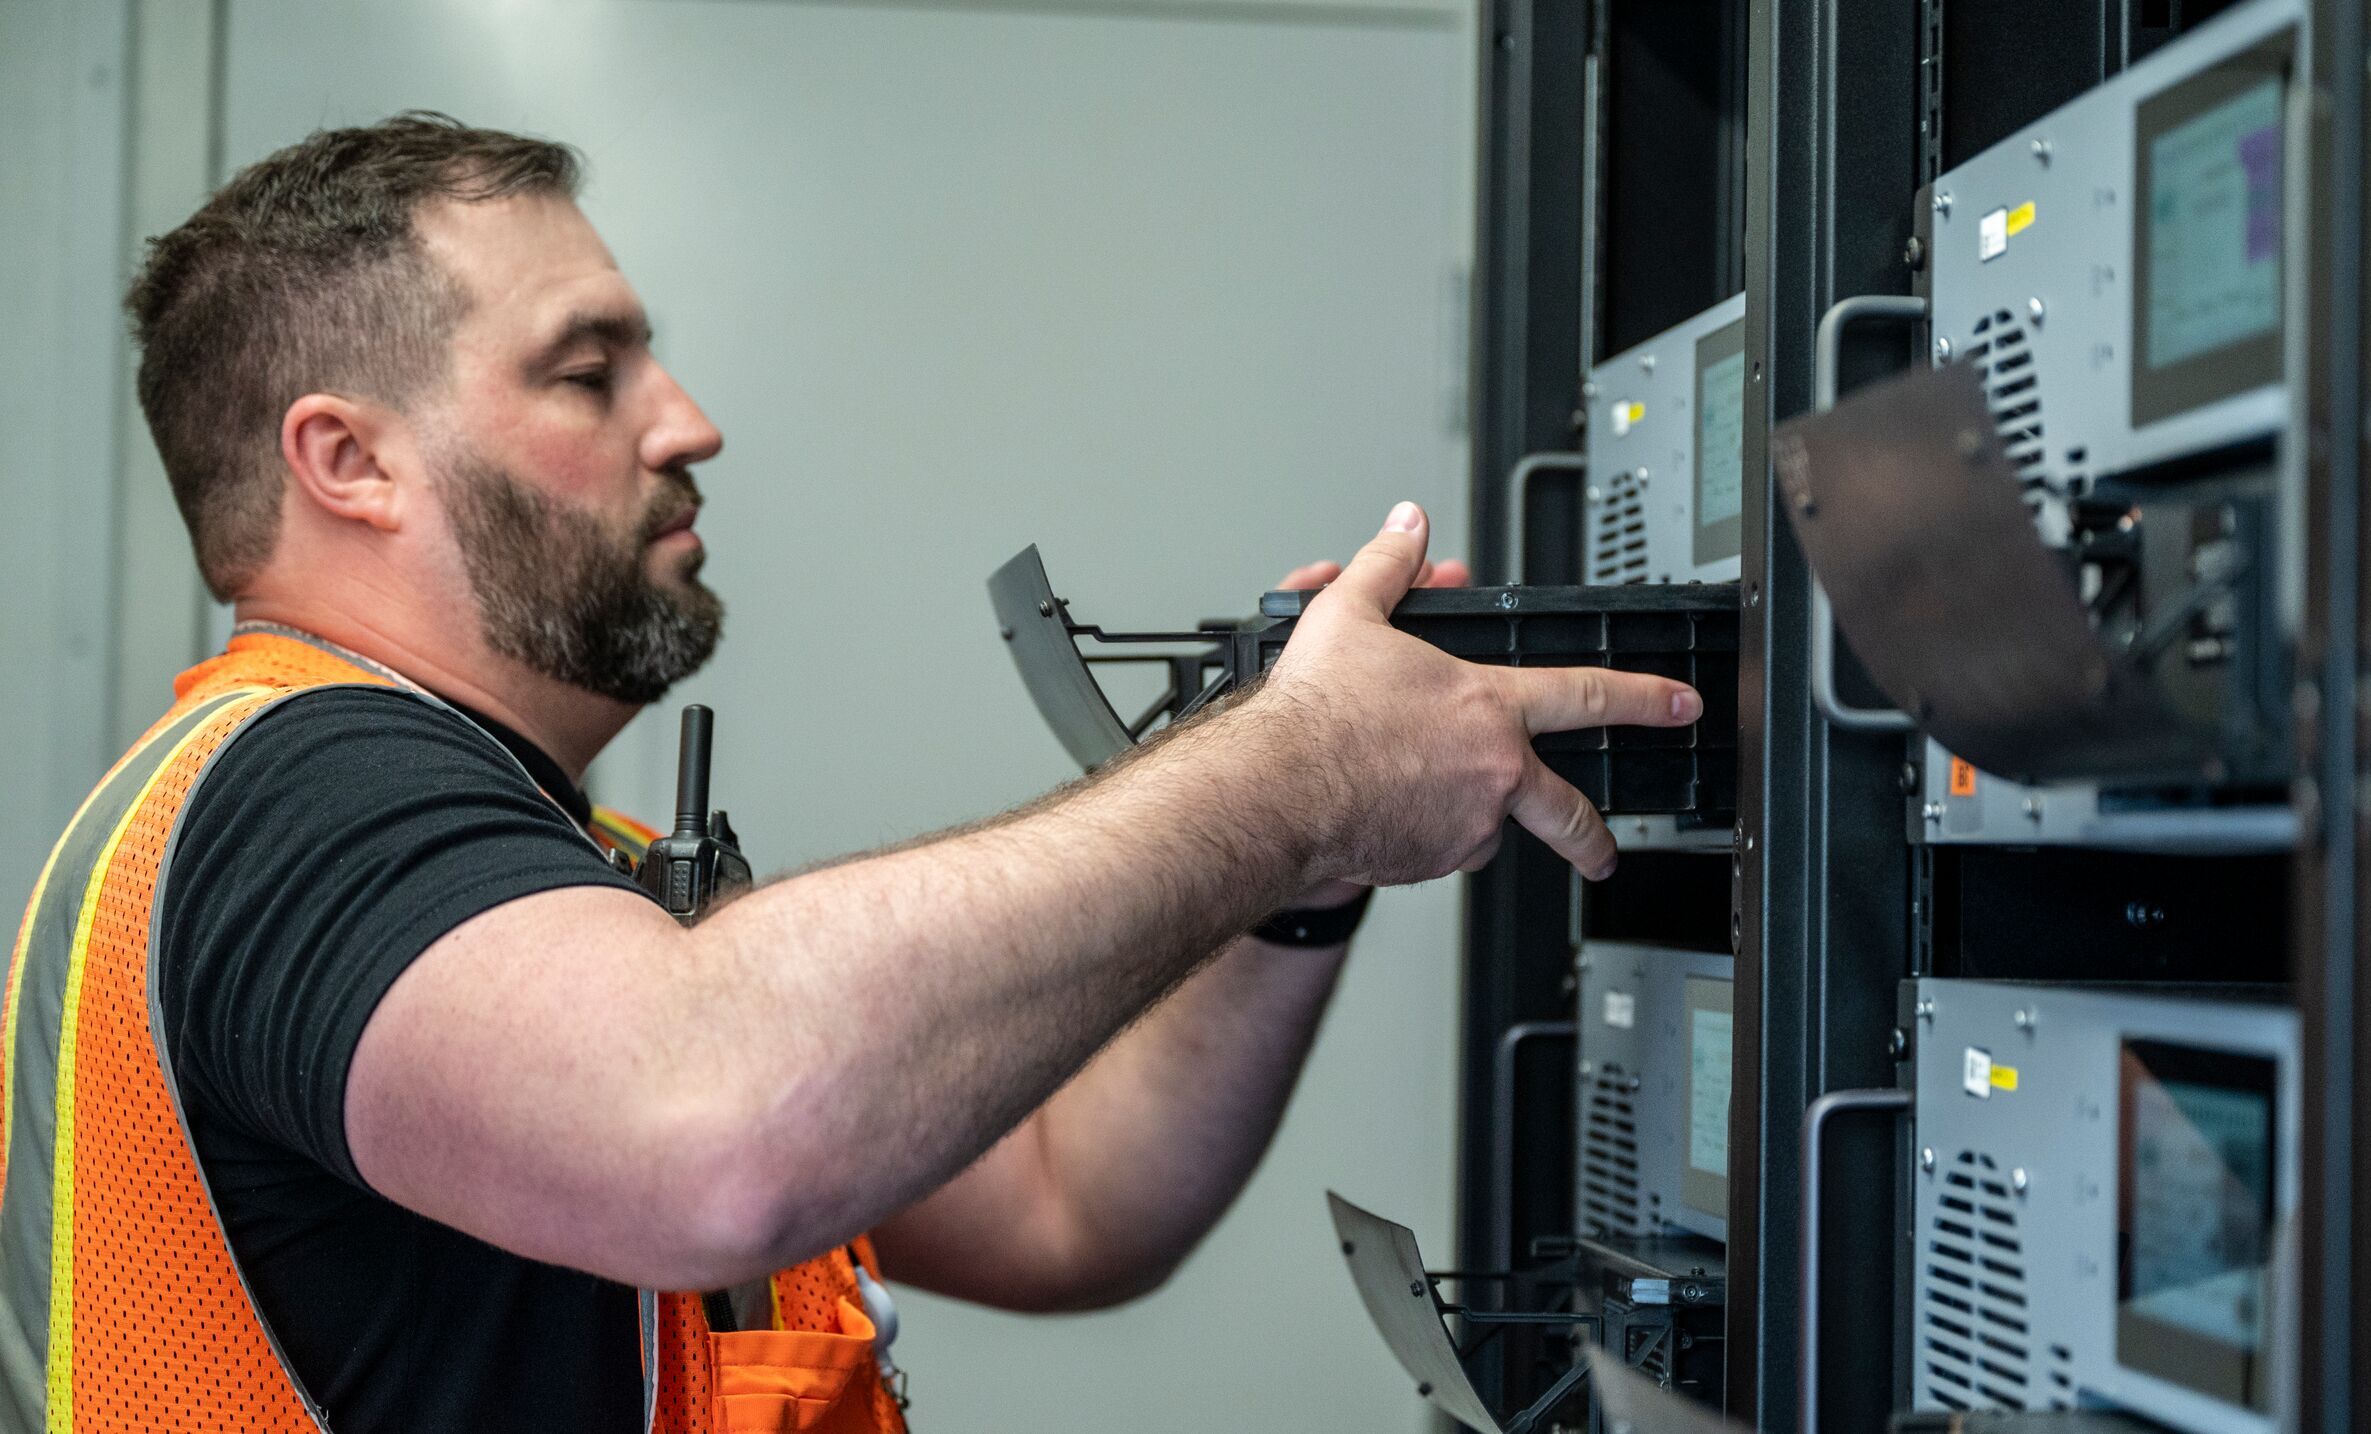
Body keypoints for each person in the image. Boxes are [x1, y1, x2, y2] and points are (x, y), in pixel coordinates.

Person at [0, 113, 1697, 1433]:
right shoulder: (292, 788)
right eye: (588, 372)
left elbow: (1068, 1204)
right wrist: (1298, 769)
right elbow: (709, 1127)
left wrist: (1302, 868)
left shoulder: (561, 857)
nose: (686, 421)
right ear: (348, 461)